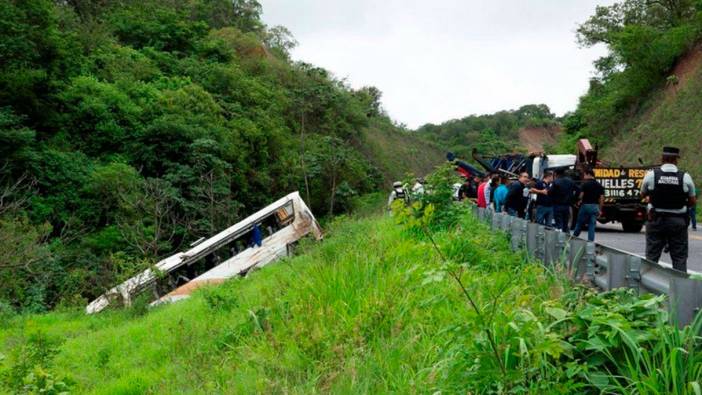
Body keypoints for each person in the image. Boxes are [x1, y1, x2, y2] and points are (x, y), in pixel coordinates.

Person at [641, 146, 696, 272]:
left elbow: (642, 194)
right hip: (678, 221)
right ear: (677, 160)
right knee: (679, 257)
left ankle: (648, 286)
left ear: (662, 158)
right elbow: (692, 201)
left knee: (651, 256)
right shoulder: (685, 177)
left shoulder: (651, 175)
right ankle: (680, 288)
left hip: (656, 220)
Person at [573, 169, 604, 242]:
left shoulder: (585, 184)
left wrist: (578, 201)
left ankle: (574, 237)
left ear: (589, 174)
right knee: (592, 225)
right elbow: (602, 199)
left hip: (585, 206)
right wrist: (600, 210)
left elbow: (581, 196)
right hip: (594, 206)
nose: (584, 176)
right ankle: (590, 241)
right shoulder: (599, 185)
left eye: (584, 175)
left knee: (579, 223)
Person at [549, 168, 576, 233]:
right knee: (565, 223)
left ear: (556, 174)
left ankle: (560, 238)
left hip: (557, 205)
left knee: (558, 223)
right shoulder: (570, 181)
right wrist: (574, 199)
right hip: (567, 205)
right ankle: (566, 237)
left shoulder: (556, 182)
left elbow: (550, 192)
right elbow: (578, 190)